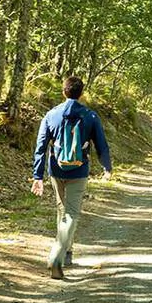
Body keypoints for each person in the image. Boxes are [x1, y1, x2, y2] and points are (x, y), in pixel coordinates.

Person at [31, 76, 112, 280]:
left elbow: (40, 147)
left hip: (56, 170)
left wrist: (37, 176)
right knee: (72, 214)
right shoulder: (90, 116)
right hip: (79, 170)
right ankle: (57, 257)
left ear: (63, 91)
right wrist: (107, 167)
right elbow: (102, 145)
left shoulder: (51, 114)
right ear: (81, 93)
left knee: (62, 211)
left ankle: (68, 252)